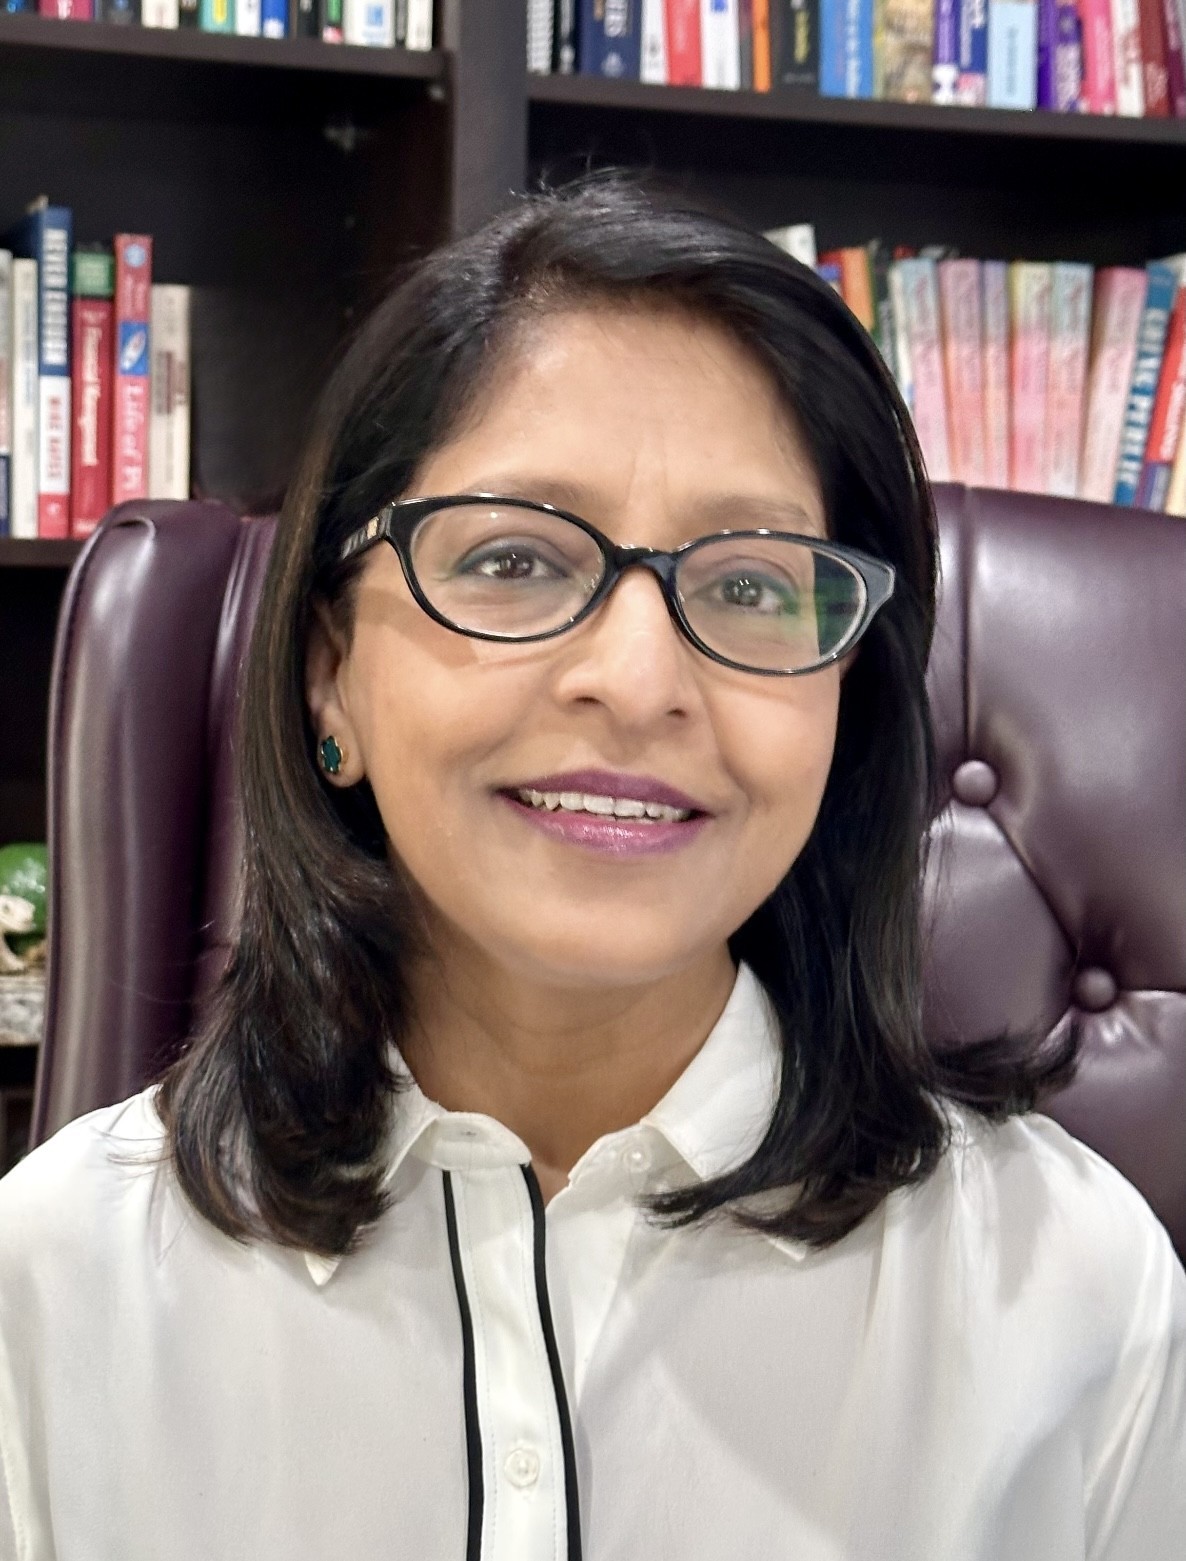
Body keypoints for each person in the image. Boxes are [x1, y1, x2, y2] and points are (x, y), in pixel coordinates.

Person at [0, 176, 1182, 1561]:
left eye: (748, 584)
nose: (636, 683)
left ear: (844, 704)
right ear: (331, 674)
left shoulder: (1065, 1286)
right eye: (511, 558)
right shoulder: (58, 1276)